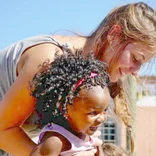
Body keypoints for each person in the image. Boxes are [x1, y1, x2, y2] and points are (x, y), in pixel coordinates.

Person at [0, 1, 156, 156]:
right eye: (135, 58)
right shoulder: (48, 61)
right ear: (114, 35)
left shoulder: (94, 83)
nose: (136, 72)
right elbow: (3, 131)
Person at [29, 49, 111, 156]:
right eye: (93, 113)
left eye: (104, 110)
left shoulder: (90, 137)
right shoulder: (56, 141)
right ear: (65, 108)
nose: (102, 118)